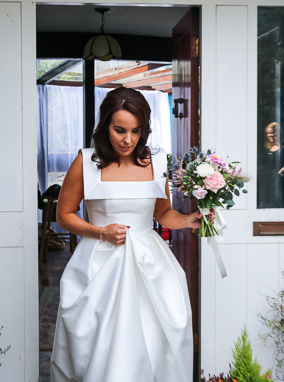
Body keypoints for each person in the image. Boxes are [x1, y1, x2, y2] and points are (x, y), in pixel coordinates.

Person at [50, 87, 202, 382]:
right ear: (105, 124)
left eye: (136, 131)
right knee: (100, 346)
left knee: (157, 340)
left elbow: (162, 213)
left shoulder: (156, 161)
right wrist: (100, 231)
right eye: (120, 130)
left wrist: (189, 220)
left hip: (150, 263)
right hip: (100, 263)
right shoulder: (86, 161)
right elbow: (64, 215)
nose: (128, 140)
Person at [257, 122, 284, 208]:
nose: (270, 135)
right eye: (268, 133)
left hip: (281, 183)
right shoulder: (266, 150)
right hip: (268, 183)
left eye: (272, 132)